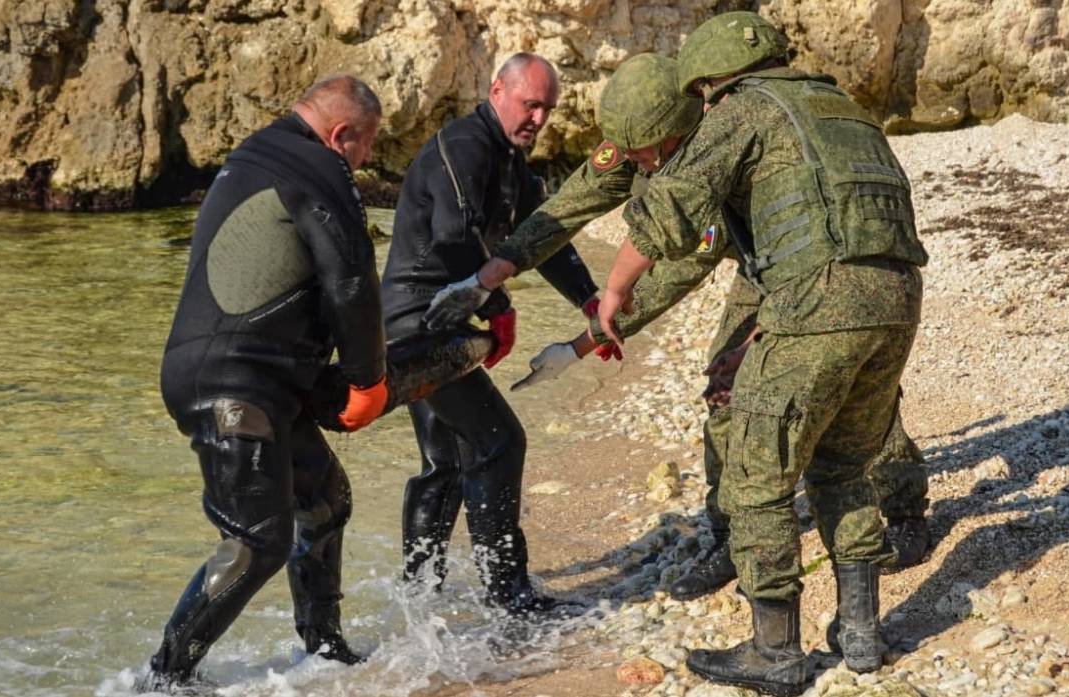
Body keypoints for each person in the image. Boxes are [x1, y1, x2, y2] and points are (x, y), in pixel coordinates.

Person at [435, 54, 930, 605]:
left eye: (646, 153)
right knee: (724, 389)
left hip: (800, 260)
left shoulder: (714, 144)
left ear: (676, 130)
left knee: (852, 382)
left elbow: (679, 269)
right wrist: (492, 274)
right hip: (758, 260)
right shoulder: (636, 138)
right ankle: (729, 533)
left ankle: (905, 506)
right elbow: (568, 208)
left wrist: (585, 342)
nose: (636, 162)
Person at [594, 12, 929, 696]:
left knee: (756, 474)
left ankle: (775, 650)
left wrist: (614, 290)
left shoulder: (745, 107)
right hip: (897, 297)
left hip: (822, 300)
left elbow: (671, 208)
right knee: (844, 462)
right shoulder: (840, 106)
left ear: (712, 82)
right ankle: (861, 630)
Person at [140, 75, 388, 691]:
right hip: (234, 384)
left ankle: (325, 654)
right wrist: (368, 380)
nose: (365, 162)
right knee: (256, 540)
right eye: (365, 148)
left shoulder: (261, 153)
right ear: (341, 134)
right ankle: (162, 681)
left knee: (326, 500)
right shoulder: (320, 167)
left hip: (259, 380)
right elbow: (351, 280)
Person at [381, 53, 599, 616]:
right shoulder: (465, 147)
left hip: (437, 323)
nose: (538, 119)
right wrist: (499, 308)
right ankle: (509, 595)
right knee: (500, 442)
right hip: (419, 325)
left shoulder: (511, 163)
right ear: (496, 88)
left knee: (448, 462)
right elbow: (455, 238)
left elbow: (543, 237)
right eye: (530, 104)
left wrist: (591, 301)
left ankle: (419, 599)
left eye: (547, 110)